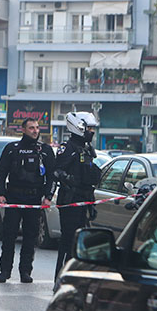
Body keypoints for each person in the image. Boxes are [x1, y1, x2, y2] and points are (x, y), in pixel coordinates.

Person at [0, 118, 56, 284]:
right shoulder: (12, 149)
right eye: (31, 128)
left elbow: (52, 177)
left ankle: (25, 271)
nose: (35, 131)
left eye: (37, 128)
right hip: (14, 197)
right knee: (9, 235)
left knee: (31, 236)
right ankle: (5, 271)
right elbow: (1, 173)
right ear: (23, 129)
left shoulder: (45, 150)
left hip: (34, 198)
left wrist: (48, 197)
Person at [53, 112, 102, 281]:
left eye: (93, 128)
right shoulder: (68, 148)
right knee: (67, 242)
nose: (91, 132)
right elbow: (56, 171)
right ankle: (59, 278)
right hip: (70, 201)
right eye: (89, 128)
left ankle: (76, 277)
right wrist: (69, 179)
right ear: (79, 127)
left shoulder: (88, 149)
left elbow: (89, 178)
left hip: (84, 200)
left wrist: (92, 204)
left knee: (81, 244)